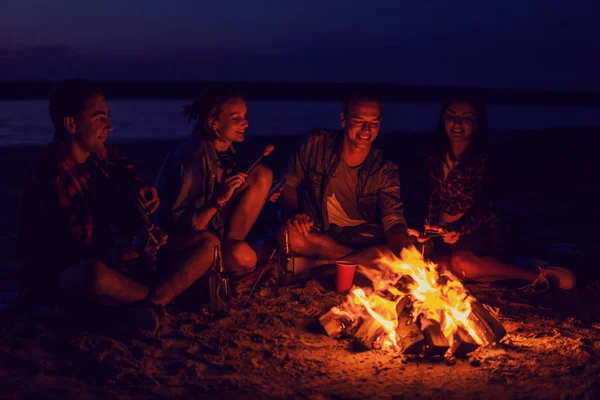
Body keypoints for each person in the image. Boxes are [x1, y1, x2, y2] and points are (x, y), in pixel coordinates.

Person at [16, 79, 215, 332]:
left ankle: (152, 302)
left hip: (114, 261)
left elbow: (122, 165)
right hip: (63, 274)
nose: (109, 126)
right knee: (94, 275)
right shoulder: (53, 175)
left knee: (207, 243)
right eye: (99, 118)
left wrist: (139, 187)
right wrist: (133, 251)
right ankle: (160, 298)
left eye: (107, 117)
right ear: (71, 124)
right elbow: (75, 253)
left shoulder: (97, 153)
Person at [408, 96, 575, 291]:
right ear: (443, 120)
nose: (457, 123)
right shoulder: (437, 156)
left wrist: (460, 230)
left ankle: (539, 276)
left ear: (476, 124)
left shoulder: (483, 159)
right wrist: (429, 228)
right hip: (447, 233)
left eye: (466, 118)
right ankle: (491, 273)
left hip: (482, 231)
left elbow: (486, 206)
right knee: (436, 267)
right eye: (451, 116)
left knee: (462, 264)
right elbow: (434, 195)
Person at [279, 90, 408, 266]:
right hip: (321, 232)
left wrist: (400, 242)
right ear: (343, 120)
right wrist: (294, 215)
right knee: (290, 236)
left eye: (373, 123)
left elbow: (393, 218)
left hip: (364, 236)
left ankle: (337, 263)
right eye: (358, 121)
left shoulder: (384, 168)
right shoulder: (316, 144)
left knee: (409, 248)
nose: (366, 130)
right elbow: (289, 184)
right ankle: (362, 262)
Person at [153, 88, 272, 279]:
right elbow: (182, 226)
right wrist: (218, 200)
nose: (246, 123)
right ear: (213, 123)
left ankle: (229, 250)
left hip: (211, 232)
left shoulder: (225, 152)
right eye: (236, 118)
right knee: (245, 257)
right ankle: (217, 264)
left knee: (261, 174)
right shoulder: (193, 157)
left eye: (245, 116)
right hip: (179, 246)